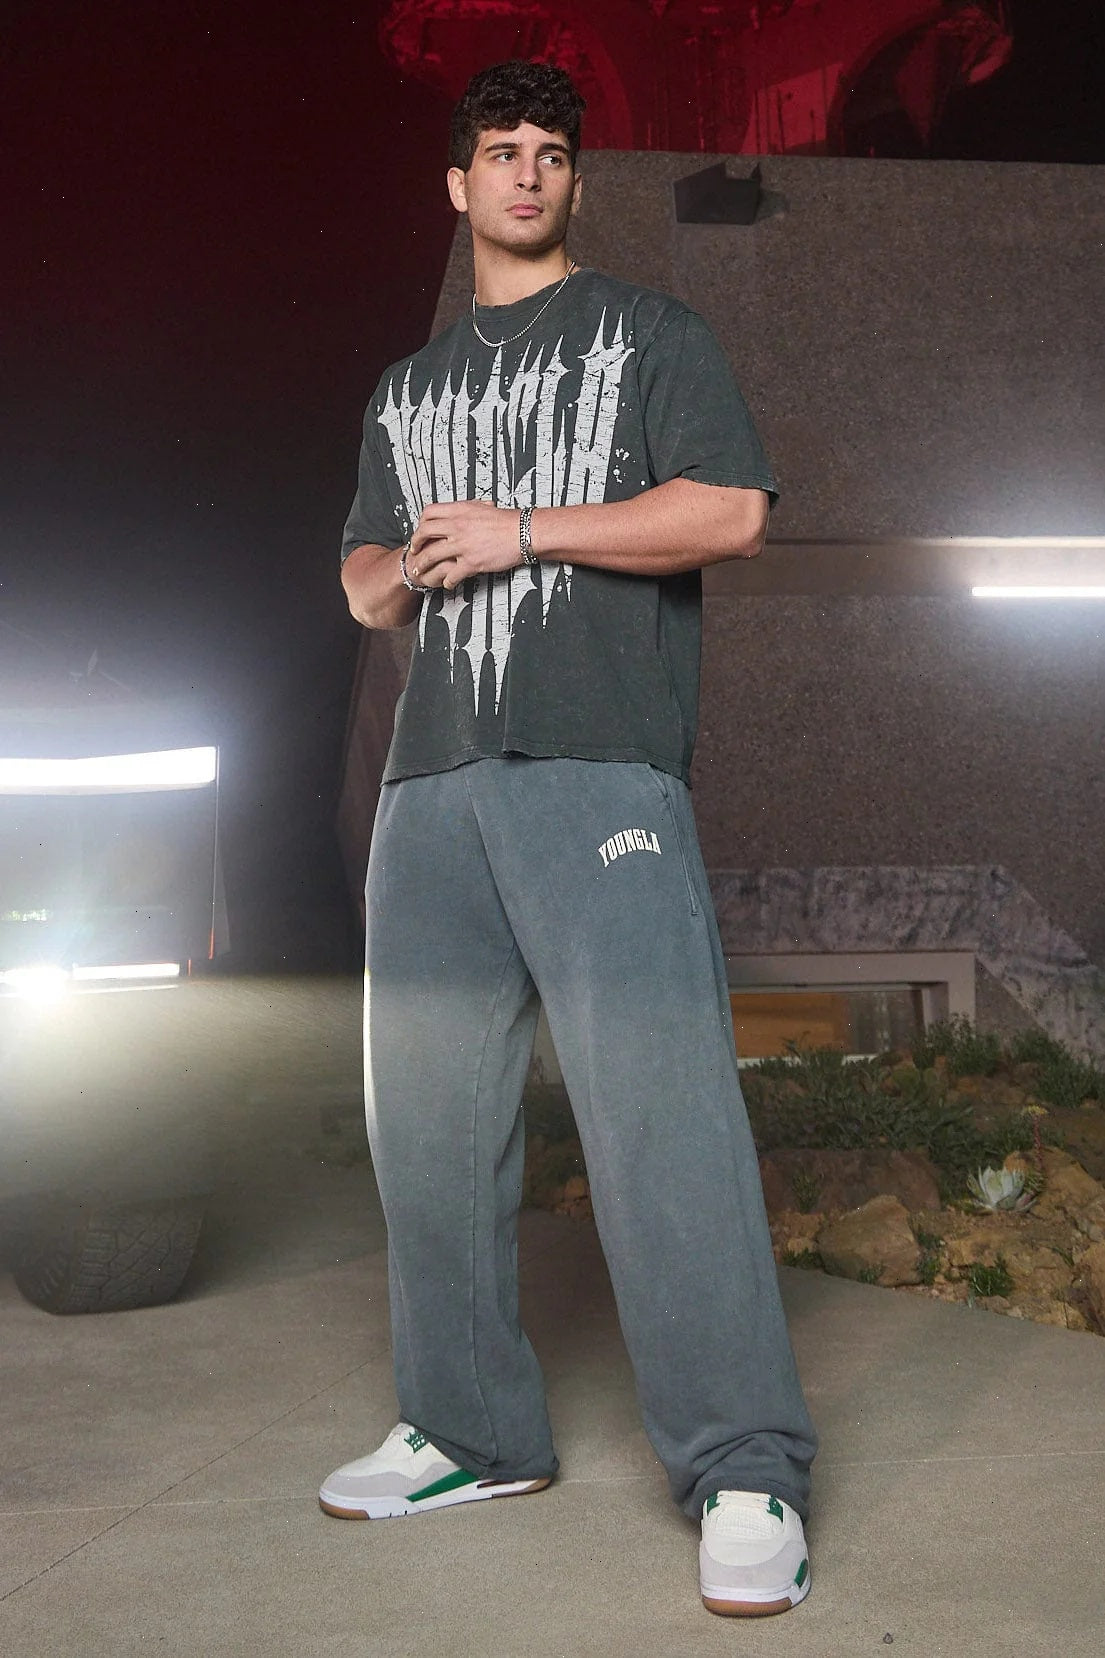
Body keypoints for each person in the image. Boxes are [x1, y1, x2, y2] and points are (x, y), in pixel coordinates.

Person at [321, 59, 817, 1618]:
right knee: (426, 1130)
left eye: (549, 151)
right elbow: (360, 576)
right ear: (456, 185)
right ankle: (468, 1429)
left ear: (572, 183)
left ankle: (743, 1463)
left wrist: (523, 529)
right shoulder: (404, 389)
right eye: (499, 151)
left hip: (597, 771)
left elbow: (731, 511)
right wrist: (410, 567)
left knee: (660, 1121)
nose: (525, 171)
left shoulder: (649, 334)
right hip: (431, 787)